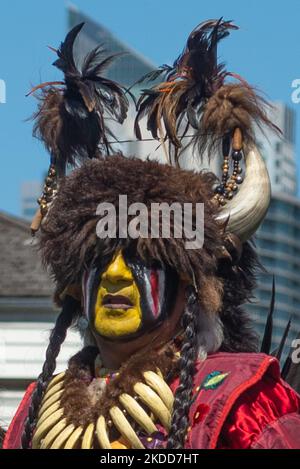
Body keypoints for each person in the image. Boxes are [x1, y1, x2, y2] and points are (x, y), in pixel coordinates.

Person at [3, 19, 300, 450]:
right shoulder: (37, 408)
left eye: (145, 258)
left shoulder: (244, 403)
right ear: (73, 285)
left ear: (193, 286)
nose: (116, 274)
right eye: (97, 259)